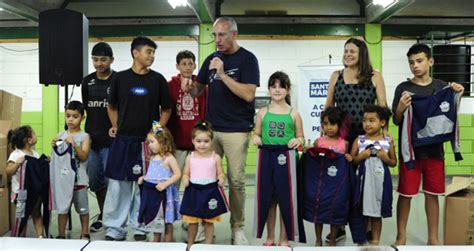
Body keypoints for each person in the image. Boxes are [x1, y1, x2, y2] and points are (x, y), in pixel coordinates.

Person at [182, 16, 260, 245]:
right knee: (202, 178)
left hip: (237, 130)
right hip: (212, 130)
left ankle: (237, 227)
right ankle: (204, 222)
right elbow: (198, 90)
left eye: (222, 35)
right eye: (214, 35)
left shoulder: (247, 59)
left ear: (234, 34)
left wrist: (224, 75)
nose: (217, 40)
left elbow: (248, 94)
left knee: (235, 181)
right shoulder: (211, 58)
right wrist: (190, 88)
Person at [392, 43, 464, 245]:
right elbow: (397, 120)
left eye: (419, 61)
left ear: (430, 61)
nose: (415, 65)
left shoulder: (442, 87)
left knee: (433, 195)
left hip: (435, 152)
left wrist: (458, 91)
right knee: (405, 194)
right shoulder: (403, 88)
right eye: (411, 62)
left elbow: (451, 109)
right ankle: (401, 236)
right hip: (411, 153)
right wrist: (399, 107)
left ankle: (433, 238)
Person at [103, 36, 172, 241]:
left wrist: (157, 131)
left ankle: (142, 227)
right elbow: (112, 106)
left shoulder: (158, 80)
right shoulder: (120, 78)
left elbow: (166, 109)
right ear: (135, 53)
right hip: (123, 140)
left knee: (145, 186)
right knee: (119, 186)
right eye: (148, 51)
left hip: (147, 144)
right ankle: (115, 229)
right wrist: (115, 125)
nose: (151, 56)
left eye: (153, 52)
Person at [324, 37, 388, 242]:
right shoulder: (336, 76)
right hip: (341, 138)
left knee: (366, 184)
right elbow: (328, 107)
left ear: (362, 54)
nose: (348, 54)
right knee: (341, 184)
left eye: (352, 51)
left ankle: (368, 228)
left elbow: (383, 106)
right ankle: (339, 226)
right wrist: (325, 134)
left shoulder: (375, 76)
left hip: (366, 138)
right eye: (345, 51)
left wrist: (384, 133)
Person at [252, 71, 304, 247]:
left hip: (286, 157)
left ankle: (284, 238)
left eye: (281, 86)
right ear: (268, 90)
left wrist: (297, 141)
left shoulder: (294, 113)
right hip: (266, 155)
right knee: (269, 198)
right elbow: (257, 133)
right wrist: (256, 138)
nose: (277, 89)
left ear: (288, 90)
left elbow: (301, 136)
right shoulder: (262, 113)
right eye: (273, 86)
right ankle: (270, 236)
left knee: (286, 199)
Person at [167, 50, 208, 242]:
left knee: (194, 185)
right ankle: (169, 219)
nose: (187, 67)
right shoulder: (170, 86)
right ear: (177, 66)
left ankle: (189, 218)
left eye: (191, 63)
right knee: (172, 184)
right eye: (183, 63)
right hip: (176, 144)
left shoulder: (201, 86)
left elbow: (206, 111)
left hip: (197, 146)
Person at [81, 41, 115, 232]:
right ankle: (103, 215)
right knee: (96, 182)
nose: (99, 63)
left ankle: (112, 218)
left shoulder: (118, 80)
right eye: (95, 59)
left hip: (111, 142)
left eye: (103, 59)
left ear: (111, 60)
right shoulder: (87, 81)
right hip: (91, 141)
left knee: (112, 183)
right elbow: (87, 105)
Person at [351, 105, 397, 245]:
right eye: (365, 120)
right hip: (363, 181)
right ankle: (361, 240)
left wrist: (385, 158)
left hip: (380, 181)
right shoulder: (359, 140)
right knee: (362, 210)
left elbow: (394, 162)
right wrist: (362, 156)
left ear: (382, 122)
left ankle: (375, 242)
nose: (367, 124)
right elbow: (352, 161)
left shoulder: (388, 141)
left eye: (372, 120)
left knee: (377, 212)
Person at [180, 121, 227, 249]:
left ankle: (208, 245)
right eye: (199, 141)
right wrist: (185, 179)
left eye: (206, 141)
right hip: (193, 191)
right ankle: (190, 244)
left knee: (209, 221)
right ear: (193, 141)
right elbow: (186, 173)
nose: (202, 144)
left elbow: (221, 173)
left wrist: (221, 179)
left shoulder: (215, 157)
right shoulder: (190, 157)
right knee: (192, 221)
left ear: (211, 141)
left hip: (210, 191)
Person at [50, 101, 91, 240]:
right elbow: (58, 158)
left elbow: (84, 156)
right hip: (64, 180)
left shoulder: (84, 136)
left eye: (75, 116)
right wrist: (54, 147)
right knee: (62, 209)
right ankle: (61, 234)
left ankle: (84, 232)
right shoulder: (60, 135)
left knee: (83, 209)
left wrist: (74, 145)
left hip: (80, 180)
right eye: (68, 116)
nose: (71, 119)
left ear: (82, 117)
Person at [311, 106, 352, 246]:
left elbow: (348, 162)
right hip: (321, 184)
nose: (329, 127)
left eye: (332, 124)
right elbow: (313, 161)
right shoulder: (319, 142)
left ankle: (333, 239)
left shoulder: (344, 143)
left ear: (339, 125)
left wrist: (348, 157)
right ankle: (318, 239)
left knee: (335, 211)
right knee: (319, 210)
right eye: (325, 124)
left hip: (337, 185)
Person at [137, 123, 181, 242]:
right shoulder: (152, 157)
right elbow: (153, 174)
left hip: (164, 195)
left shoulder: (169, 158)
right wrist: (144, 177)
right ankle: (156, 243)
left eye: (152, 142)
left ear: (162, 141)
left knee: (167, 221)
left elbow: (177, 174)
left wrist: (165, 184)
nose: (149, 145)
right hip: (153, 194)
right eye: (149, 142)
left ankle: (168, 243)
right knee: (156, 221)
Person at [6, 126, 45, 237]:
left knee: (37, 214)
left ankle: (41, 237)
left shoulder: (35, 154)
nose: (35, 135)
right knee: (22, 217)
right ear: (28, 140)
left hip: (34, 192)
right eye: (34, 133)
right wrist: (17, 164)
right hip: (20, 194)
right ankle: (20, 239)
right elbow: (8, 171)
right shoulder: (16, 154)